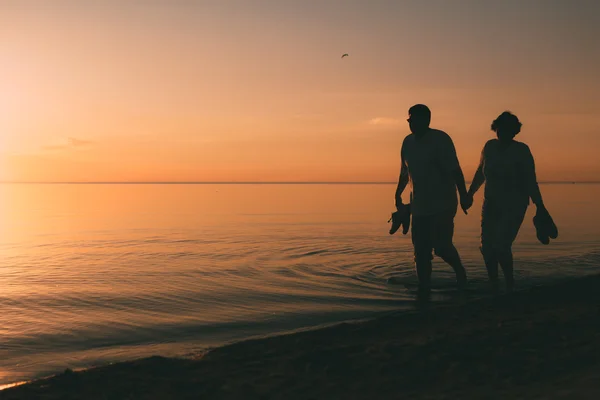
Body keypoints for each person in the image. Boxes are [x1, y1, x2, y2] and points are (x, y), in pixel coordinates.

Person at [464, 111, 545, 293]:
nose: (503, 132)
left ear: (515, 131)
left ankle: (509, 284)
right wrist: (469, 194)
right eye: (500, 128)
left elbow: (531, 181)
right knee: (486, 247)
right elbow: (480, 172)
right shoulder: (489, 147)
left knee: (501, 245)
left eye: (508, 129)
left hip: (514, 205)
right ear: (496, 128)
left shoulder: (522, 150)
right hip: (491, 204)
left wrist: (540, 207)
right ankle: (494, 282)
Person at [394, 104, 469, 293]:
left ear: (426, 120)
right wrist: (397, 194)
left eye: (414, 119)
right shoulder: (407, 142)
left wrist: (464, 195)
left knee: (442, 247)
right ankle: (424, 288)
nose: (410, 123)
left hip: (443, 204)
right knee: (420, 251)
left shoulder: (440, 139)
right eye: (409, 120)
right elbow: (405, 172)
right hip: (419, 205)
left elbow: (455, 170)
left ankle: (460, 272)